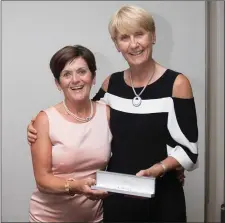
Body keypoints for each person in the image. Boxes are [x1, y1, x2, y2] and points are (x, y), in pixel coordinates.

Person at [27, 5, 198, 222]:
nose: (134, 44)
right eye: (124, 37)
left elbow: (190, 150)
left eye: (140, 34)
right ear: (116, 44)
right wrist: (37, 126)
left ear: (153, 36)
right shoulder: (112, 84)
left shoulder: (177, 84)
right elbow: (83, 116)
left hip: (162, 195)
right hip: (117, 197)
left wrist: (161, 168)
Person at [28, 45, 112, 222]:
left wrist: (172, 163)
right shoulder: (45, 120)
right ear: (58, 83)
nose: (75, 80)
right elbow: (42, 179)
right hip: (49, 218)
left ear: (93, 76)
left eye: (82, 71)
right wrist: (77, 186)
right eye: (67, 74)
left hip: (94, 218)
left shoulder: (107, 113)